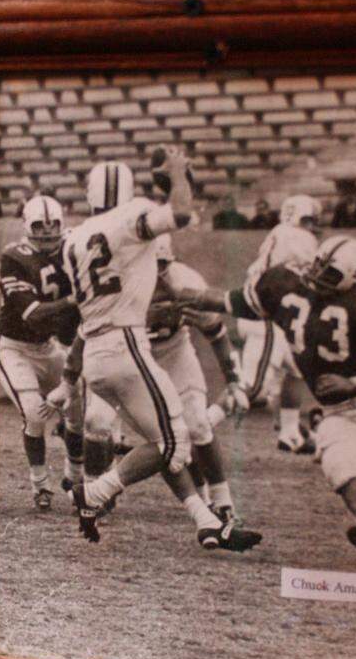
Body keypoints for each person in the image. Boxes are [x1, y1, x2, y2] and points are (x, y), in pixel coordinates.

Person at [48, 153, 261, 551]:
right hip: (127, 344)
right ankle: (93, 494)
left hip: (96, 351)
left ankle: (207, 523)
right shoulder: (131, 220)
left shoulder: (73, 238)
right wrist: (178, 171)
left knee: (162, 439)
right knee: (173, 442)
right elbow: (180, 214)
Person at [186, 236, 356, 555]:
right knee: (339, 466)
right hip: (340, 413)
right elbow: (231, 301)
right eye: (318, 267)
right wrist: (183, 296)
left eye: (331, 274)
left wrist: (354, 382)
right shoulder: (289, 288)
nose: (319, 278)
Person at [0, 194, 84, 510]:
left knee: (76, 406)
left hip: (48, 346)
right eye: (39, 228)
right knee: (34, 413)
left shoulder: (73, 246)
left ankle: (74, 474)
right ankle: (40, 485)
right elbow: (33, 313)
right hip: (13, 347)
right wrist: (74, 301)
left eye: (52, 227)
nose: (47, 235)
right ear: (28, 228)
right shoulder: (14, 256)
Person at [146, 234, 249, 521]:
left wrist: (234, 381)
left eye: (162, 264)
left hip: (173, 350)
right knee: (107, 424)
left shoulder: (185, 282)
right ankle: (94, 488)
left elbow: (216, 333)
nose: (156, 273)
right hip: (130, 355)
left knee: (197, 424)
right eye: (148, 263)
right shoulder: (120, 280)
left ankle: (221, 501)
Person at [226, 194, 323, 454]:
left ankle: (290, 433)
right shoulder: (301, 238)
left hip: (271, 313)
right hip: (268, 316)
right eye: (312, 220)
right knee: (253, 391)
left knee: (295, 370)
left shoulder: (278, 232)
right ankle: (201, 419)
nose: (315, 226)